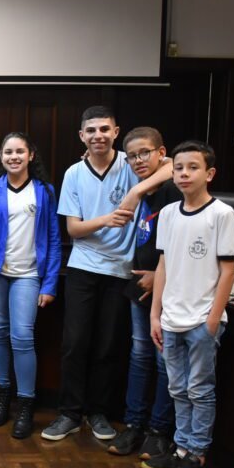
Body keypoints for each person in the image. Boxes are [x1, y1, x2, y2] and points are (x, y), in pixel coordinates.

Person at [42, 106, 172, 442]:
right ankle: (69, 413)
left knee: (108, 345)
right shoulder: (74, 173)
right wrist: (107, 219)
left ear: (115, 132)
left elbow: (171, 165)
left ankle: (97, 412)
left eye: (104, 129)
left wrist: (135, 191)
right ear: (81, 136)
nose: (98, 135)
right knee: (75, 343)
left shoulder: (132, 163)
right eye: (91, 130)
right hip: (83, 266)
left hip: (121, 270)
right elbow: (74, 229)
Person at [143, 141, 234, 468]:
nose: (184, 174)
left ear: (209, 174)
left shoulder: (222, 214)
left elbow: (228, 271)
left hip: (201, 321)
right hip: (170, 318)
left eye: (193, 167)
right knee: (178, 388)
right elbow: (163, 265)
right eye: (179, 168)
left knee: (199, 389)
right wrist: (155, 315)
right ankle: (181, 448)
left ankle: (197, 454)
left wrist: (213, 320)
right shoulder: (169, 213)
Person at [0, 133, 62, 438]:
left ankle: (25, 403)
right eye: (8, 152)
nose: (14, 157)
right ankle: (1, 395)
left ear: (30, 155)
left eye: (20, 151)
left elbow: (54, 239)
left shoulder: (45, 191)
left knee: (22, 336)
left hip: (28, 275)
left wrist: (49, 285)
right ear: (2, 156)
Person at [107, 127, 181, 459]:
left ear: (161, 153)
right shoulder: (146, 190)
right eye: (132, 156)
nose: (138, 160)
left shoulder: (173, 189)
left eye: (145, 153)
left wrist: (159, 276)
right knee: (139, 357)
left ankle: (159, 431)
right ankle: (134, 424)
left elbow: (180, 245)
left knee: (164, 362)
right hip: (139, 286)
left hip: (168, 288)